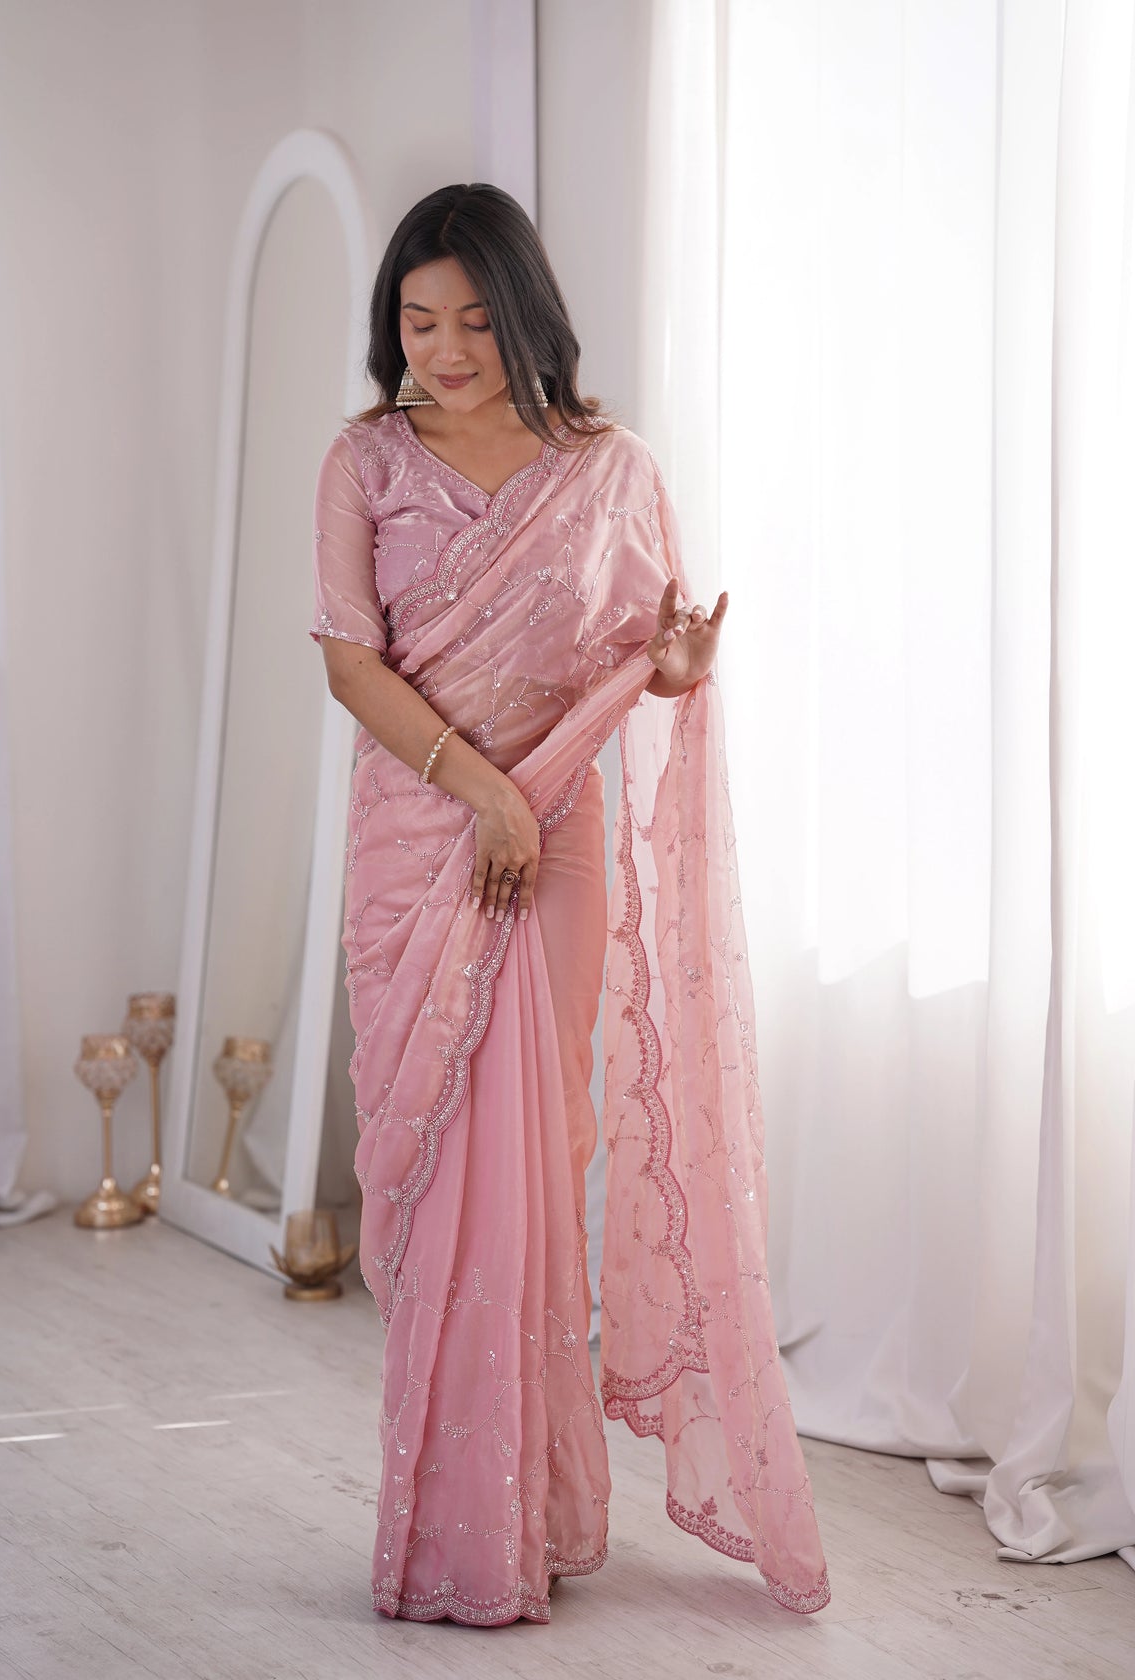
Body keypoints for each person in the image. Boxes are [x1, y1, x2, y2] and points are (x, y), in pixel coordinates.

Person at [310, 183, 830, 1628]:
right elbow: (352, 663)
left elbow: (631, 661)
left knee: (538, 1168)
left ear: (526, 314)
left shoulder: (610, 470)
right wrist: (478, 791)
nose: (449, 347)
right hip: (426, 838)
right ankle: (442, 1531)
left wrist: (668, 671)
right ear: (391, 326)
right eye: (420, 319)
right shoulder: (365, 463)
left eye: (477, 317)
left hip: (557, 846)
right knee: (438, 1178)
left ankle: (523, 1522)